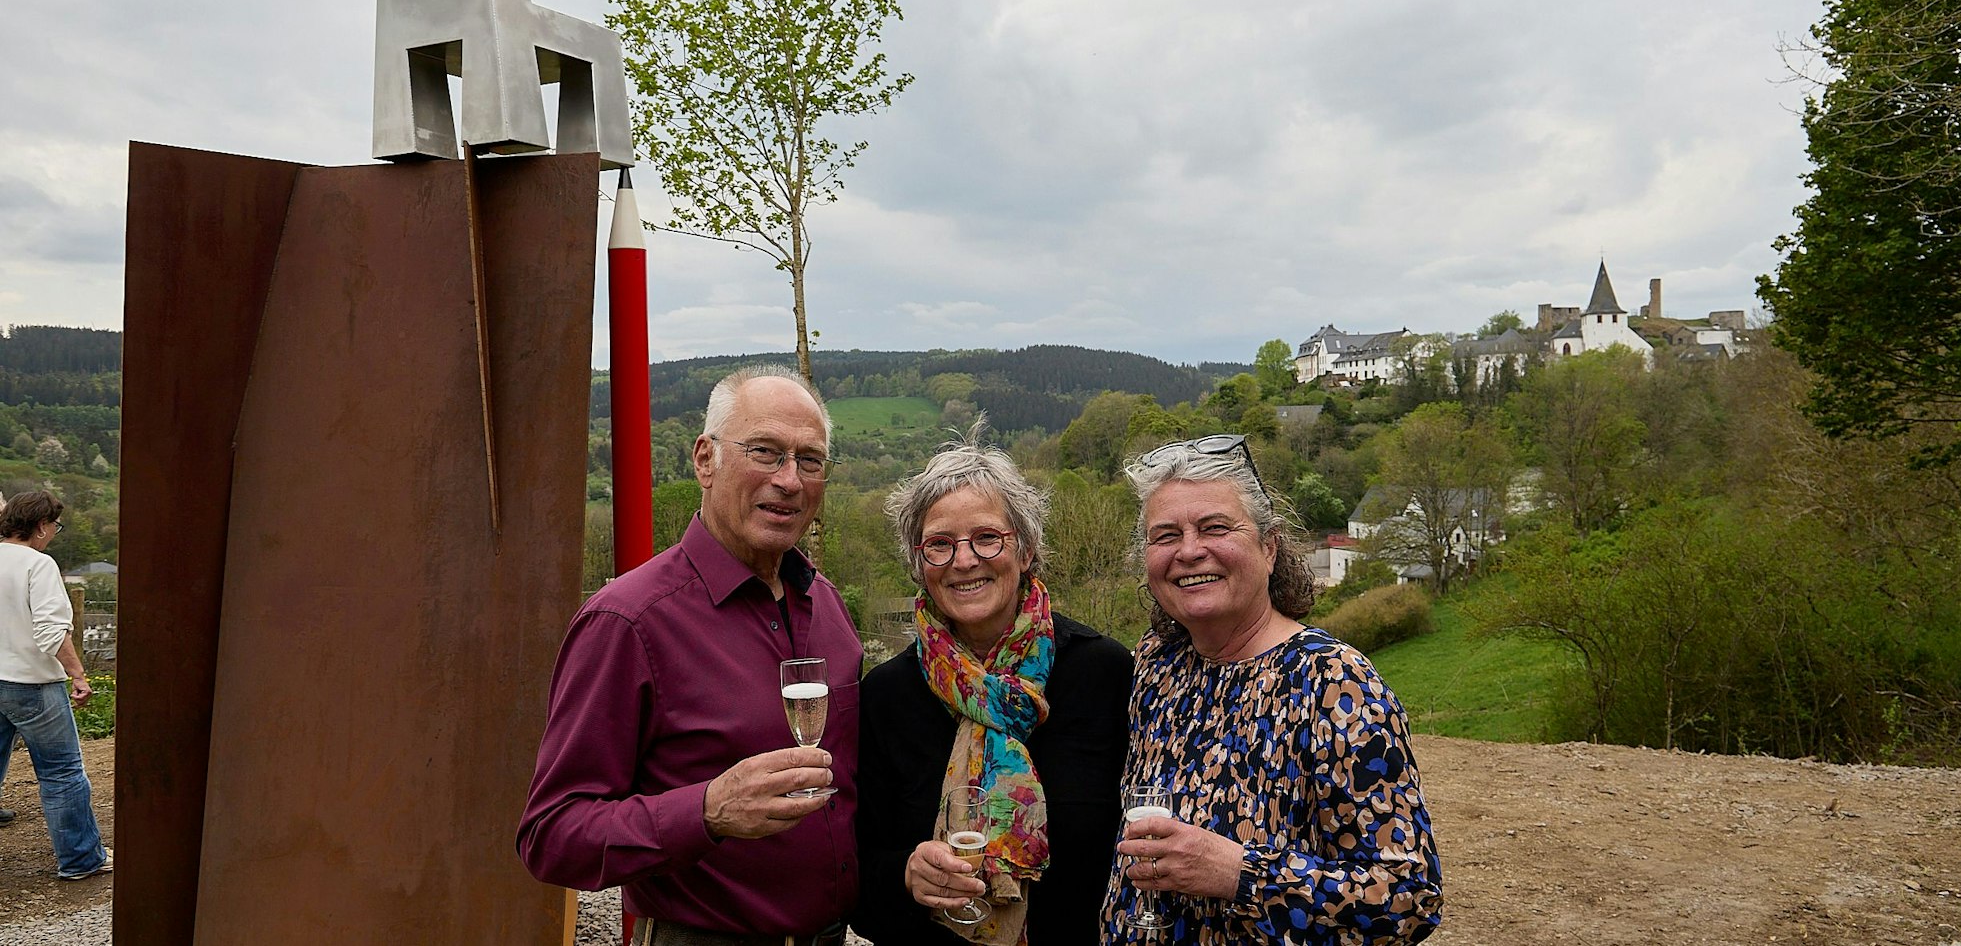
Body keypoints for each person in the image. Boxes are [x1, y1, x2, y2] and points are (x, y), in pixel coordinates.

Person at [519, 365, 861, 945]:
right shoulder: (628, 621)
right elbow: (551, 836)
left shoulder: (825, 605)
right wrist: (707, 811)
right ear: (705, 459)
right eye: (765, 451)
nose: (790, 480)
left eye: (810, 460)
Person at [1099, 436, 1442, 944]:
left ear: (1269, 546)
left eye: (1215, 527)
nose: (1190, 551)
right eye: (1165, 535)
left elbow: (1408, 900)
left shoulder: (1336, 685)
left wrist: (1238, 873)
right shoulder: (1156, 662)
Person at [852, 429, 1132, 945]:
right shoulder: (885, 696)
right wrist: (905, 875)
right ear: (919, 564)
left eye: (987, 538)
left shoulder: (1104, 673)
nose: (964, 561)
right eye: (940, 544)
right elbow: (855, 878)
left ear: (1024, 550)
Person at [0, 490, 110, 880]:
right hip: (32, 684)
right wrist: (78, 674)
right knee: (61, 772)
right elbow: (50, 633)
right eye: (54, 526)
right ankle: (81, 859)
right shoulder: (38, 564)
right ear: (42, 525)